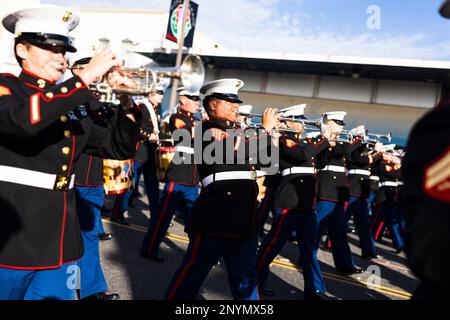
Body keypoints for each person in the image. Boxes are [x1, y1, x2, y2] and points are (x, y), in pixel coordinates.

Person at [0, 5, 140, 300]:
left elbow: (117, 147)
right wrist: (84, 78)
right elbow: (25, 122)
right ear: (22, 50)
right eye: (50, 49)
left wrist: (128, 104)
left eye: (64, 51)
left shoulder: (72, 102)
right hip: (12, 236)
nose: (61, 58)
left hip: (60, 239)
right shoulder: (7, 87)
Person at [164, 79, 279, 300]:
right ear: (213, 105)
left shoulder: (239, 130)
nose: (235, 106)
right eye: (228, 102)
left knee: (246, 279)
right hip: (216, 214)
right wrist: (264, 129)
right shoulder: (207, 129)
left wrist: (269, 136)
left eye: (236, 102)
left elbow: (268, 165)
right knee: (192, 274)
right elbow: (232, 151)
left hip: (245, 217)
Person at [255, 104, 335, 300]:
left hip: (306, 204)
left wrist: (329, 145)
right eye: (299, 119)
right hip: (289, 201)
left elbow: (321, 162)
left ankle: (314, 290)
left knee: (309, 250)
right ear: (288, 122)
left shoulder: (302, 142)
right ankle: (254, 283)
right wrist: (323, 139)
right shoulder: (283, 140)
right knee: (271, 246)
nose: (303, 123)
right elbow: (301, 155)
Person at [140, 87, 201, 262]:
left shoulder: (194, 120)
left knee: (194, 220)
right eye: (193, 99)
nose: (197, 103)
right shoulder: (178, 118)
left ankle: (195, 254)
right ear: (184, 100)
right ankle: (149, 248)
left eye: (197, 100)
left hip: (192, 176)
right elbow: (187, 137)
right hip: (180, 173)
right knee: (163, 216)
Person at [315, 112, 364, 274]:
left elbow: (354, 156)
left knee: (339, 230)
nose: (342, 126)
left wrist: (361, 142)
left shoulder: (338, 139)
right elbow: (344, 151)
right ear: (328, 123)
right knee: (317, 228)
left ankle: (345, 264)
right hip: (327, 188)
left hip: (338, 190)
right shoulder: (323, 137)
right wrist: (357, 138)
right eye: (337, 122)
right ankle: (307, 257)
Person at [111, 87, 164, 224]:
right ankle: (118, 213)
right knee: (128, 184)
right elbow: (134, 126)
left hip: (150, 153)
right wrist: (148, 136)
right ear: (151, 94)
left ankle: (155, 217)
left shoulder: (156, 109)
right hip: (140, 151)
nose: (162, 97)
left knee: (153, 187)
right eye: (159, 94)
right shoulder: (143, 107)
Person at [345, 129, 384, 259]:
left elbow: (374, 165)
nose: (364, 139)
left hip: (362, 193)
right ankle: (329, 244)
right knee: (341, 220)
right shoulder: (352, 149)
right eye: (361, 136)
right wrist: (376, 152)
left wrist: (378, 152)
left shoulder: (364, 149)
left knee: (363, 223)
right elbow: (362, 160)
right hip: (352, 190)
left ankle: (368, 250)